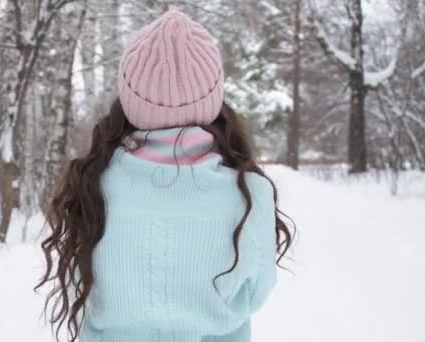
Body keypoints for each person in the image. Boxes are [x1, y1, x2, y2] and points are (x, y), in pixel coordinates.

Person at [35, 6, 294, 342]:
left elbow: (79, 285)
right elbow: (255, 292)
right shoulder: (251, 193)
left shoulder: (90, 185)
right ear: (213, 98)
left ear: (130, 98)